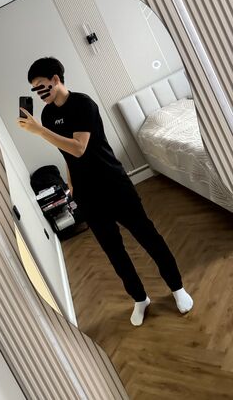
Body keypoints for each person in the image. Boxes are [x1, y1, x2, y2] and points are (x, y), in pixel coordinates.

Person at [17, 56, 193, 326]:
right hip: (86, 194)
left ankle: (177, 287)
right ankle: (139, 298)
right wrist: (71, 182)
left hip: (113, 184)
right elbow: (67, 154)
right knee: (114, 251)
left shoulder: (83, 104)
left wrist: (40, 132)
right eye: (34, 89)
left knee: (147, 236)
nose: (38, 93)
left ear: (55, 79)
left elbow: (79, 147)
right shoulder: (48, 116)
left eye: (41, 85)